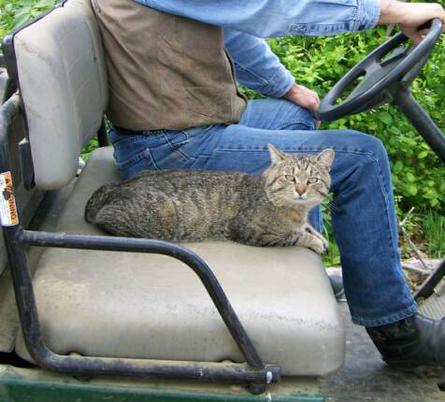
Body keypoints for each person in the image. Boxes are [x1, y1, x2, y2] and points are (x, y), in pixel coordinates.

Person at [91, 0, 445, 369]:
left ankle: (299, 255)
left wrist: (288, 89)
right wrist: (395, 12)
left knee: (295, 117)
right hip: (170, 147)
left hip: (184, 123)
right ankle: (398, 334)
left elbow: (229, 26)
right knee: (363, 159)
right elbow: (270, 7)